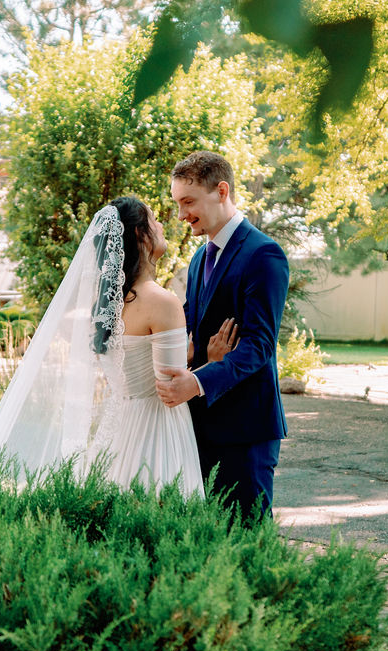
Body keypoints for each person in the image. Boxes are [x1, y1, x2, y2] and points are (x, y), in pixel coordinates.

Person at [0, 196, 235, 497]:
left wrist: (183, 356)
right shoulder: (161, 301)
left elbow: (133, 365)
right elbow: (170, 390)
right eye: (153, 220)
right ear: (139, 235)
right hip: (158, 430)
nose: (161, 225)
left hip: (119, 429)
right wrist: (211, 364)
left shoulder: (104, 306)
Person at [156, 151, 290, 524]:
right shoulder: (201, 258)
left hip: (246, 432)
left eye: (188, 202)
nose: (181, 215)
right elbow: (190, 326)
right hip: (202, 426)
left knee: (247, 541)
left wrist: (197, 381)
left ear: (221, 191)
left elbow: (259, 345)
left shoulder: (263, 254)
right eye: (177, 204)